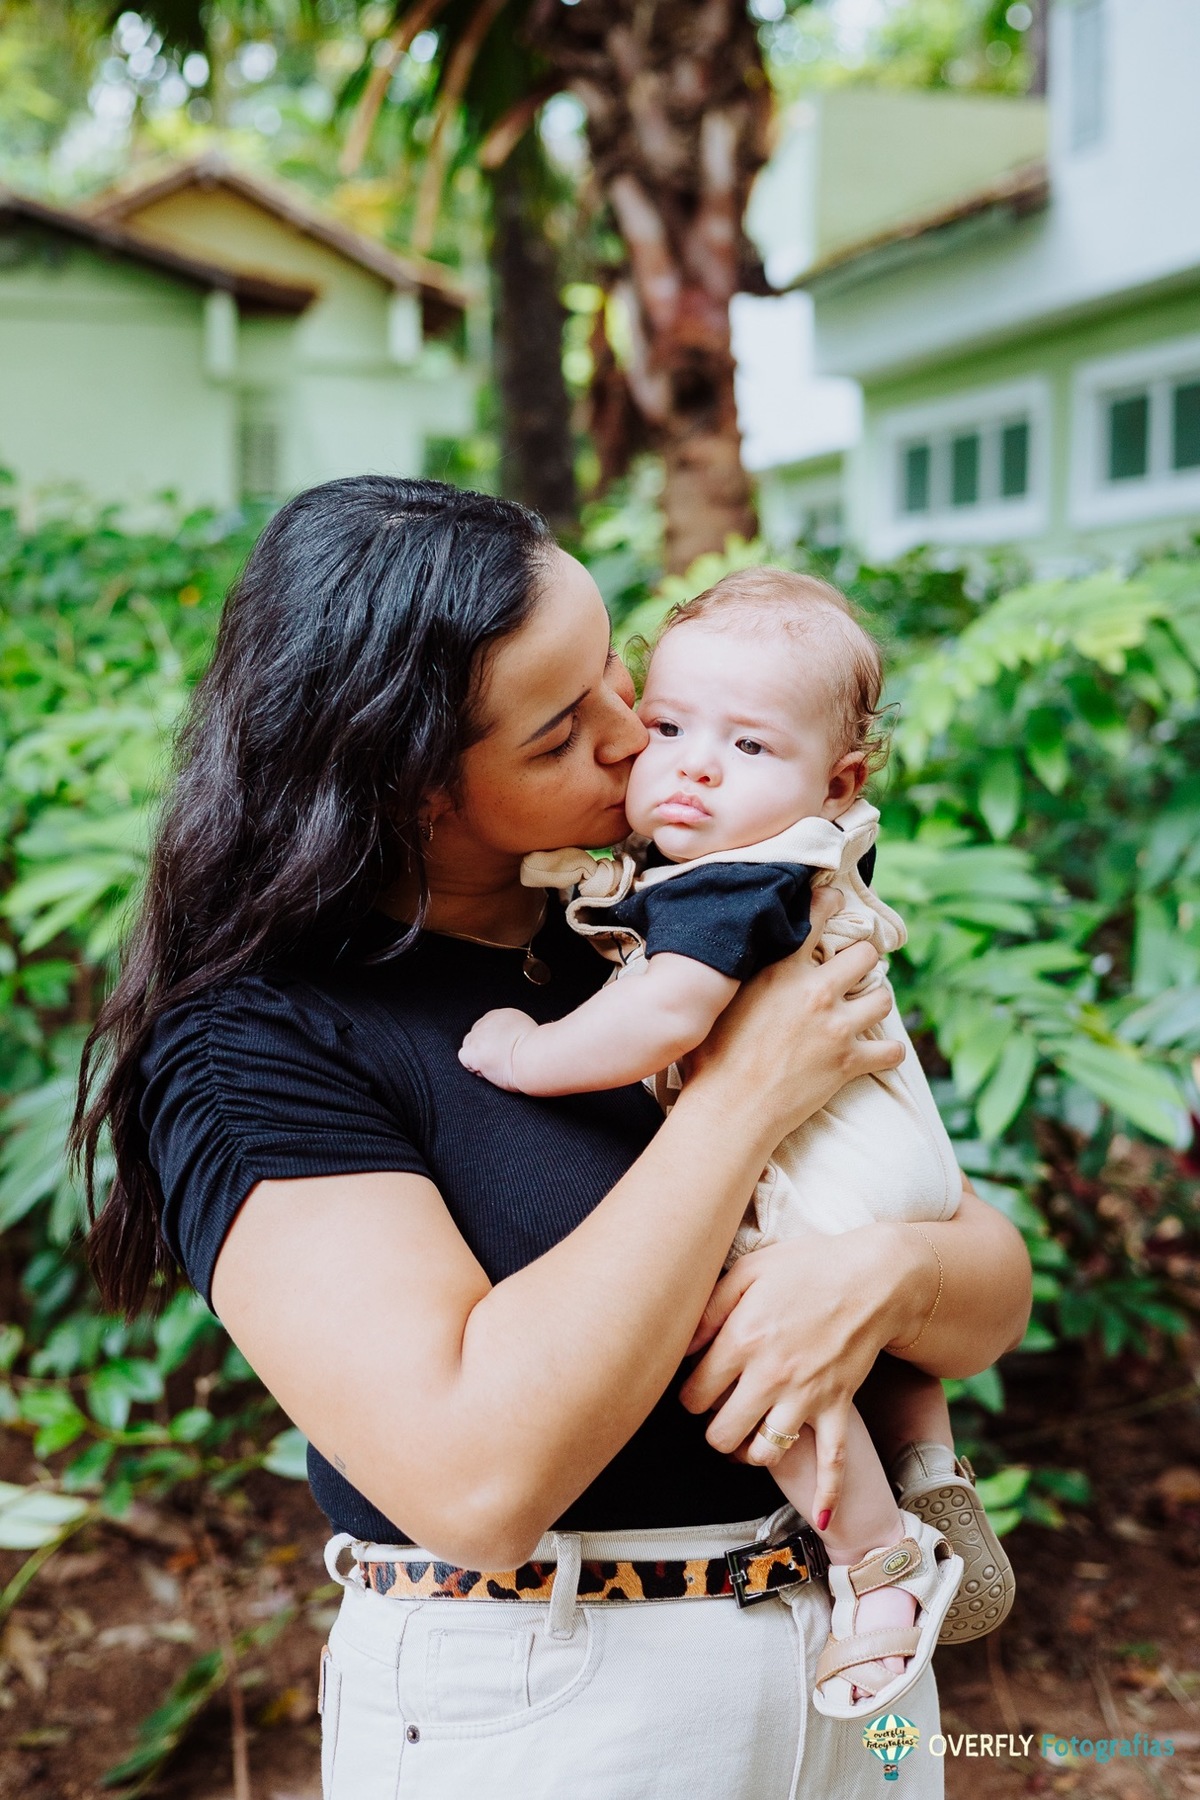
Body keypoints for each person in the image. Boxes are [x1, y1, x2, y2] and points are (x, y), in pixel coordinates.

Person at [74, 477, 1032, 1800]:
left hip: (853, 1667)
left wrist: (875, 1283)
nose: (637, 734)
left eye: (615, 675)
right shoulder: (263, 1047)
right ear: (411, 785)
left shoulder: (647, 932)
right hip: (562, 1694)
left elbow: (984, 1290)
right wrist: (745, 1094)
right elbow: (475, 1478)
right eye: (560, 728)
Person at [460, 567, 1015, 1720]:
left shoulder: (738, 883)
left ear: (838, 777)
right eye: (668, 726)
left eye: (749, 747)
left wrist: (524, 1051)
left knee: (748, 1343)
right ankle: (926, 1467)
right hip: (887, 1152)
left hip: (828, 1163)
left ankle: (876, 1568)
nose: (691, 764)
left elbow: (661, 1015)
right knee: (858, 1331)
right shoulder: (790, 852)